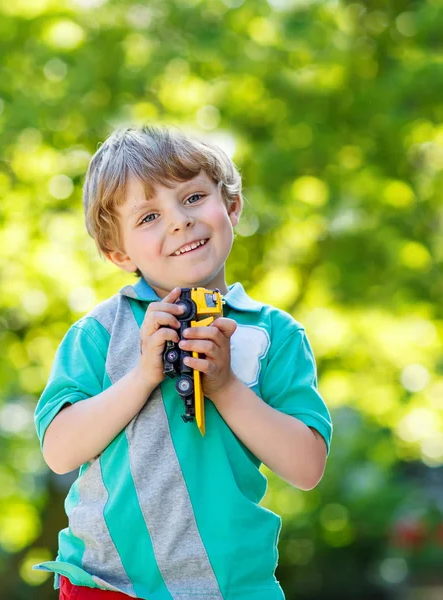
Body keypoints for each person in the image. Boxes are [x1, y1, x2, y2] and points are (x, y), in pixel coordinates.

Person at [33, 124, 333, 600]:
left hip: (230, 587)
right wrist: (143, 375)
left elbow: (306, 467)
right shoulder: (98, 334)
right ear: (118, 252)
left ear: (231, 206)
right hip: (108, 583)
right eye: (148, 216)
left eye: (193, 198)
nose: (178, 221)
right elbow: (59, 451)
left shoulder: (274, 334)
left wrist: (227, 387)